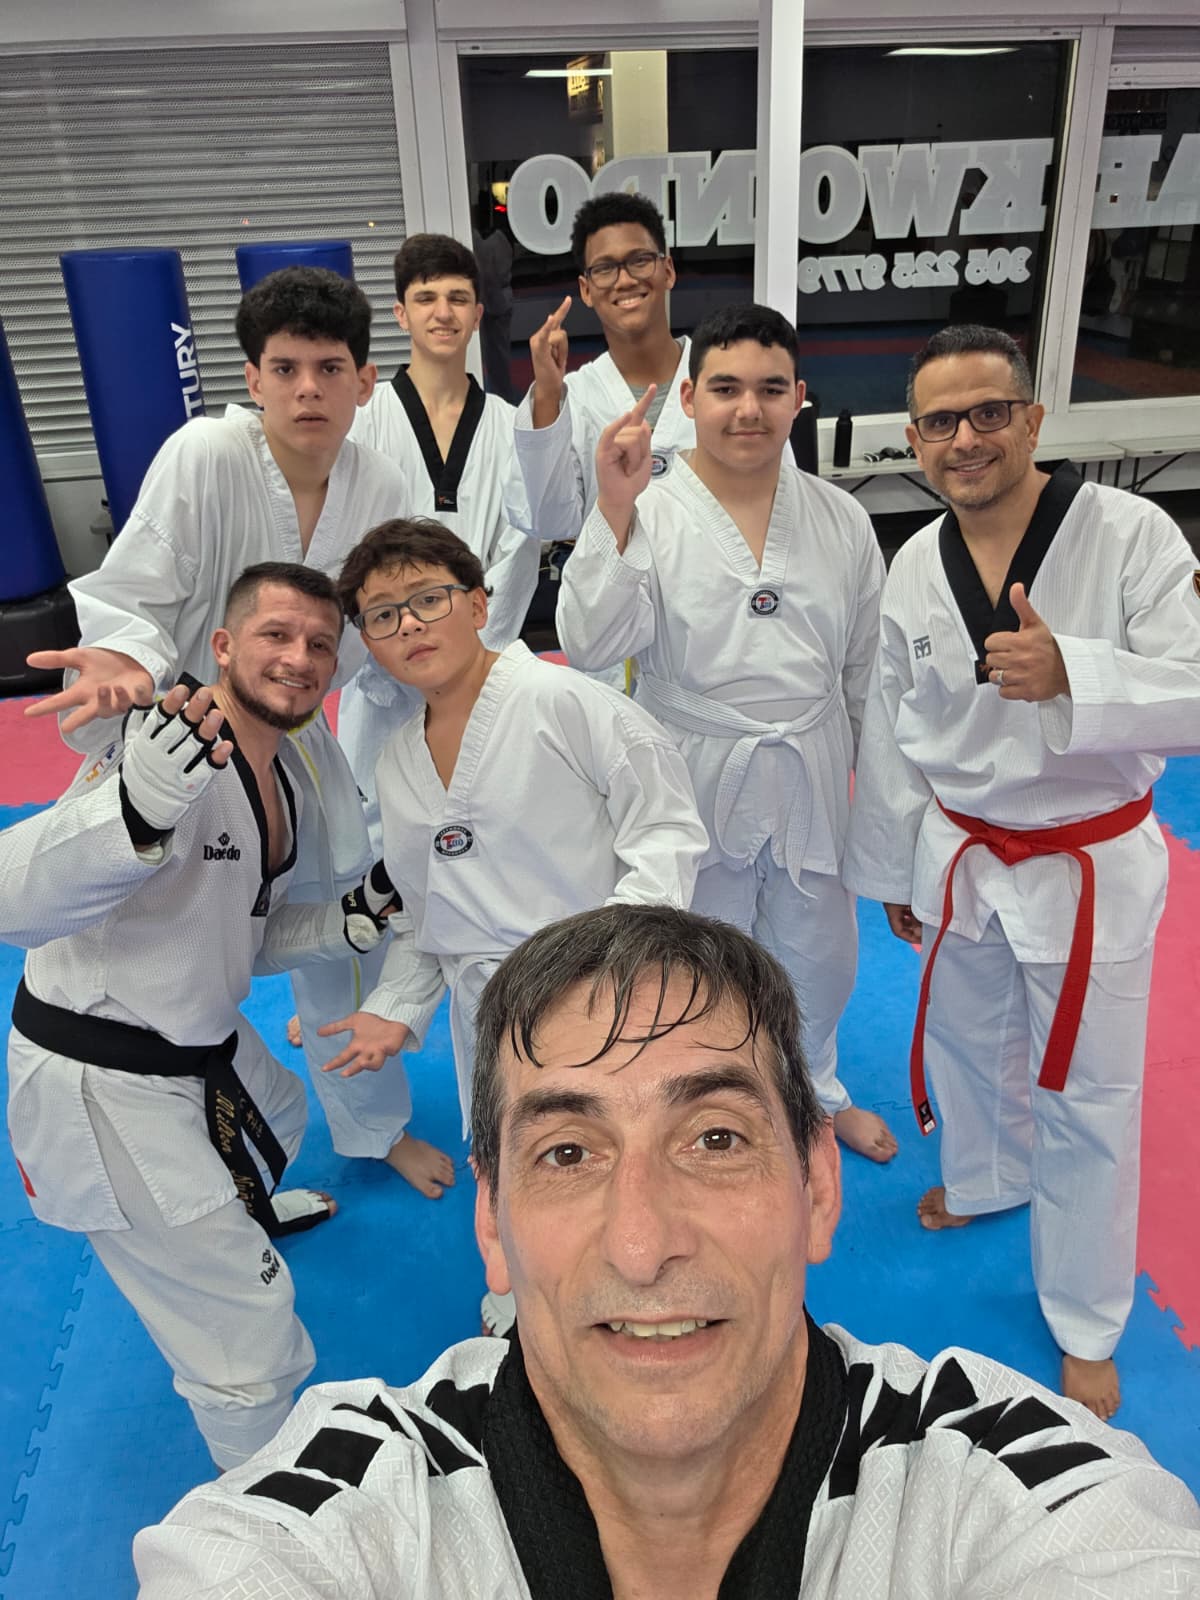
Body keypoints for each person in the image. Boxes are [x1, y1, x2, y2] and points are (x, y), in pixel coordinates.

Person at [133, 903, 1200, 1597]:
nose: (643, 1243)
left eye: (718, 1138)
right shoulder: (351, 1520)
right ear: (490, 1225)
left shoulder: (1005, 1499)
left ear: (819, 1187)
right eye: (566, 1151)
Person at [24, 265, 454, 1200]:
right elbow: (135, 588)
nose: (309, 389)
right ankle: (179, 1148)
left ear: (364, 381)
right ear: (252, 378)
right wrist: (129, 662)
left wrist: (452, 687)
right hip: (176, 738)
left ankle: (372, 1129)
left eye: (329, 369)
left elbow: (384, 615)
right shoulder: (203, 456)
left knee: (352, 919)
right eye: (287, 368)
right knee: (179, 957)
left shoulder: (378, 477)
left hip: (296, 740)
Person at [842, 323, 1200, 1420]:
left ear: (1033, 418)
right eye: (942, 421)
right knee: (963, 1030)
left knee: (1090, 1093)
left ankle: (1089, 1313)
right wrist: (896, 862)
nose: (967, 438)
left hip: (1085, 854)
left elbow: (1191, 690)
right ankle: (992, 1179)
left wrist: (1075, 676)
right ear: (915, 438)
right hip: (961, 847)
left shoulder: (1131, 534)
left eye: (989, 412)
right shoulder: (913, 560)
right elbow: (894, 724)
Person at [3, 564, 401, 1470]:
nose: (298, 658)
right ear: (221, 646)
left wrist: (351, 920)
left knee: (285, 1121)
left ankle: (242, 1215)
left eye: (318, 645)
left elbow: (238, 936)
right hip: (104, 1078)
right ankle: (262, 1510)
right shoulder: (161, 748)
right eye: (275, 635)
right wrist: (135, 806)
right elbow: (11, 901)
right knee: (250, 1344)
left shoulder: (282, 777)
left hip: (195, 1037)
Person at [318, 516, 709, 1335]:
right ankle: (522, 1296)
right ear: (366, 643)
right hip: (482, 1006)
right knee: (513, 1152)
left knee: (613, 1152)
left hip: (600, 992)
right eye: (382, 615)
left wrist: (614, 964)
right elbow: (429, 918)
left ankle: (640, 1293)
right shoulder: (395, 760)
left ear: (479, 602)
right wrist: (395, 1007)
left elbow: (666, 830)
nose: (410, 625)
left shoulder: (566, 702)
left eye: (429, 598)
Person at [556, 303, 897, 1163]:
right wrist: (612, 508)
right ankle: (708, 1106)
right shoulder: (653, 506)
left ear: (799, 400)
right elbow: (592, 643)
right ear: (689, 395)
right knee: (699, 944)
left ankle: (815, 1095)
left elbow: (867, 675)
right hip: (694, 755)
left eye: (770, 390)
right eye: (727, 388)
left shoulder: (841, 519)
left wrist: (876, 805)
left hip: (811, 759)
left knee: (819, 950)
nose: (749, 409)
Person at [342, 233, 540, 843]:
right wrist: (394, 646)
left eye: (459, 297)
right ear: (401, 313)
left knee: (492, 829)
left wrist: (470, 648)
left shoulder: (511, 425)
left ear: (479, 313)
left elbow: (520, 544)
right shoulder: (364, 422)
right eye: (426, 297)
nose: (443, 312)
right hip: (381, 674)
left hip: (480, 665)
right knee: (372, 837)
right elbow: (346, 544)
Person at [510, 190, 694, 549]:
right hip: (613, 601)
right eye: (605, 269)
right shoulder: (575, 398)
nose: (625, 281)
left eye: (640, 260)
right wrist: (547, 393)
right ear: (586, 289)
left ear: (667, 270)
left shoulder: (721, 382)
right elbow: (550, 522)